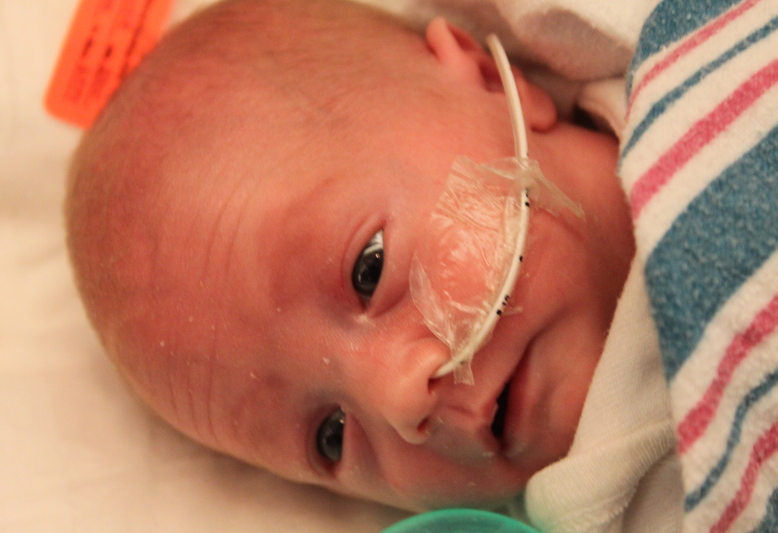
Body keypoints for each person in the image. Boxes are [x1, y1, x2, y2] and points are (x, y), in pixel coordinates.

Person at [66, 0, 679, 527]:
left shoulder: (691, 58)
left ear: (489, 79)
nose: (401, 399)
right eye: (331, 437)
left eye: (369, 269)